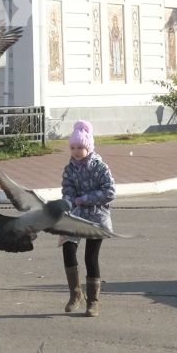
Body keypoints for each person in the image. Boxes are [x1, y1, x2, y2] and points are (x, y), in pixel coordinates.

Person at [59, 119, 116, 317]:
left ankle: (93, 301)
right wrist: (65, 205)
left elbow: (110, 192)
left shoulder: (100, 168)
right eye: (73, 147)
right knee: (68, 248)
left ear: (88, 146)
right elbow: (67, 192)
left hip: (97, 218)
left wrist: (85, 199)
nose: (76, 151)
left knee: (90, 257)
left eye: (80, 147)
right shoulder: (70, 169)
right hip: (75, 216)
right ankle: (75, 293)